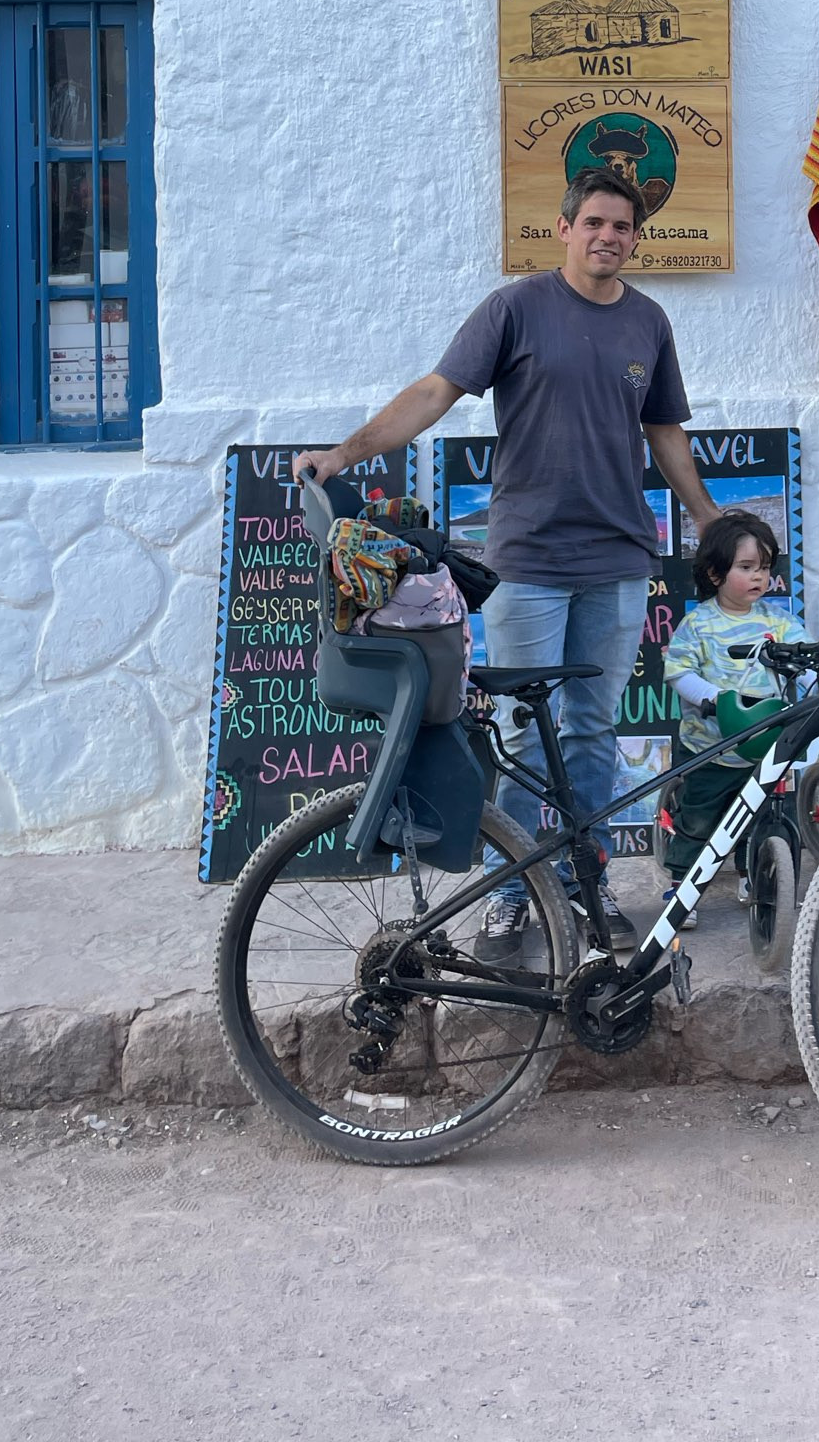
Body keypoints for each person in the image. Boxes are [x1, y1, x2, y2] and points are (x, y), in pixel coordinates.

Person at [293, 167, 719, 959]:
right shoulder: (515, 309)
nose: (608, 237)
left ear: (636, 238)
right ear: (564, 229)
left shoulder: (649, 323)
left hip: (618, 560)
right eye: (594, 222)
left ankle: (585, 884)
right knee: (526, 732)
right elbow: (435, 392)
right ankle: (511, 892)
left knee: (592, 731)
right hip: (528, 560)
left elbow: (664, 432)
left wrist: (707, 517)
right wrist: (344, 453)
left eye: (622, 227)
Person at [660, 511, 811, 923]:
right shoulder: (698, 624)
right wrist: (713, 698)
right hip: (711, 748)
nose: (758, 576)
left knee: (762, 818)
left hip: (765, 746)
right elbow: (678, 673)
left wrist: (812, 674)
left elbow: (805, 658)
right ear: (715, 573)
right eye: (746, 567)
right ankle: (682, 886)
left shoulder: (779, 622)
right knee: (699, 819)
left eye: (764, 567)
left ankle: (753, 875)